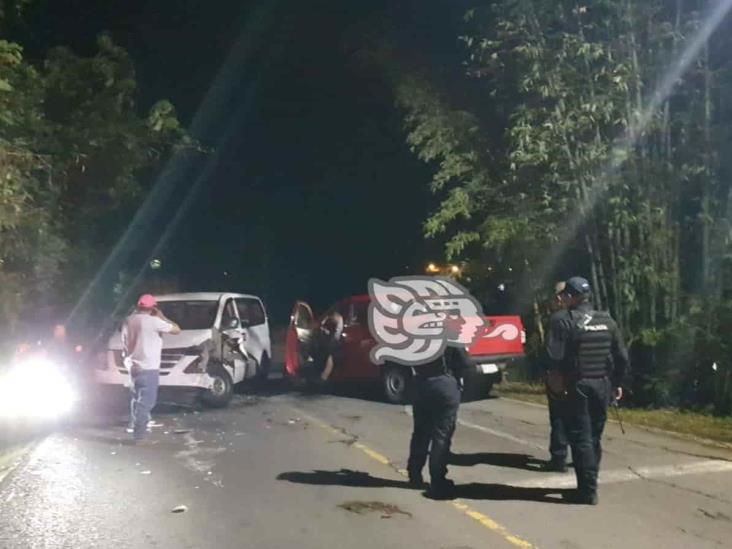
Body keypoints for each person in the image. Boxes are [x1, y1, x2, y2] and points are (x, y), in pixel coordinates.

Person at [547, 277, 629, 505]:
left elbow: (555, 357)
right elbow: (621, 357)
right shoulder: (607, 320)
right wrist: (617, 384)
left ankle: (587, 491)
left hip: (577, 386)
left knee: (581, 438)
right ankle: (591, 484)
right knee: (594, 437)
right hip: (602, 385)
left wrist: (557, 383)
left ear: (569, 296)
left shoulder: (562, 320)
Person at [406, 346, 465, 499]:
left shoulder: (416, 335)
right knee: (441, 437)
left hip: (421, 383)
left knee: (420, 432)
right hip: (445, 384)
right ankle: (437, 479)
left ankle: (414, 473)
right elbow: (464, 362)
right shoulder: (449, 336)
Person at [122, 294, 181, 442]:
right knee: (147, 402)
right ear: (153, 307)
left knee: (136, 398)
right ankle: (139, 433)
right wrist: (163, 317)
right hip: (149, 367)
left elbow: (124, 341)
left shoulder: (129, 320)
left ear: (138, 306)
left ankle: (135, 423)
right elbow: (177, 330)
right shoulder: (154, 322)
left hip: (133, 365)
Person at [544, 282, 570, 472]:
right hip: (584, 376)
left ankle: (559, 458)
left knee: (559, 417)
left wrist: (552, 374)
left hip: (561, 375)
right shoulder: (588, 317)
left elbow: (552, 351)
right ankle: (585, 458)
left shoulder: (557, 319)